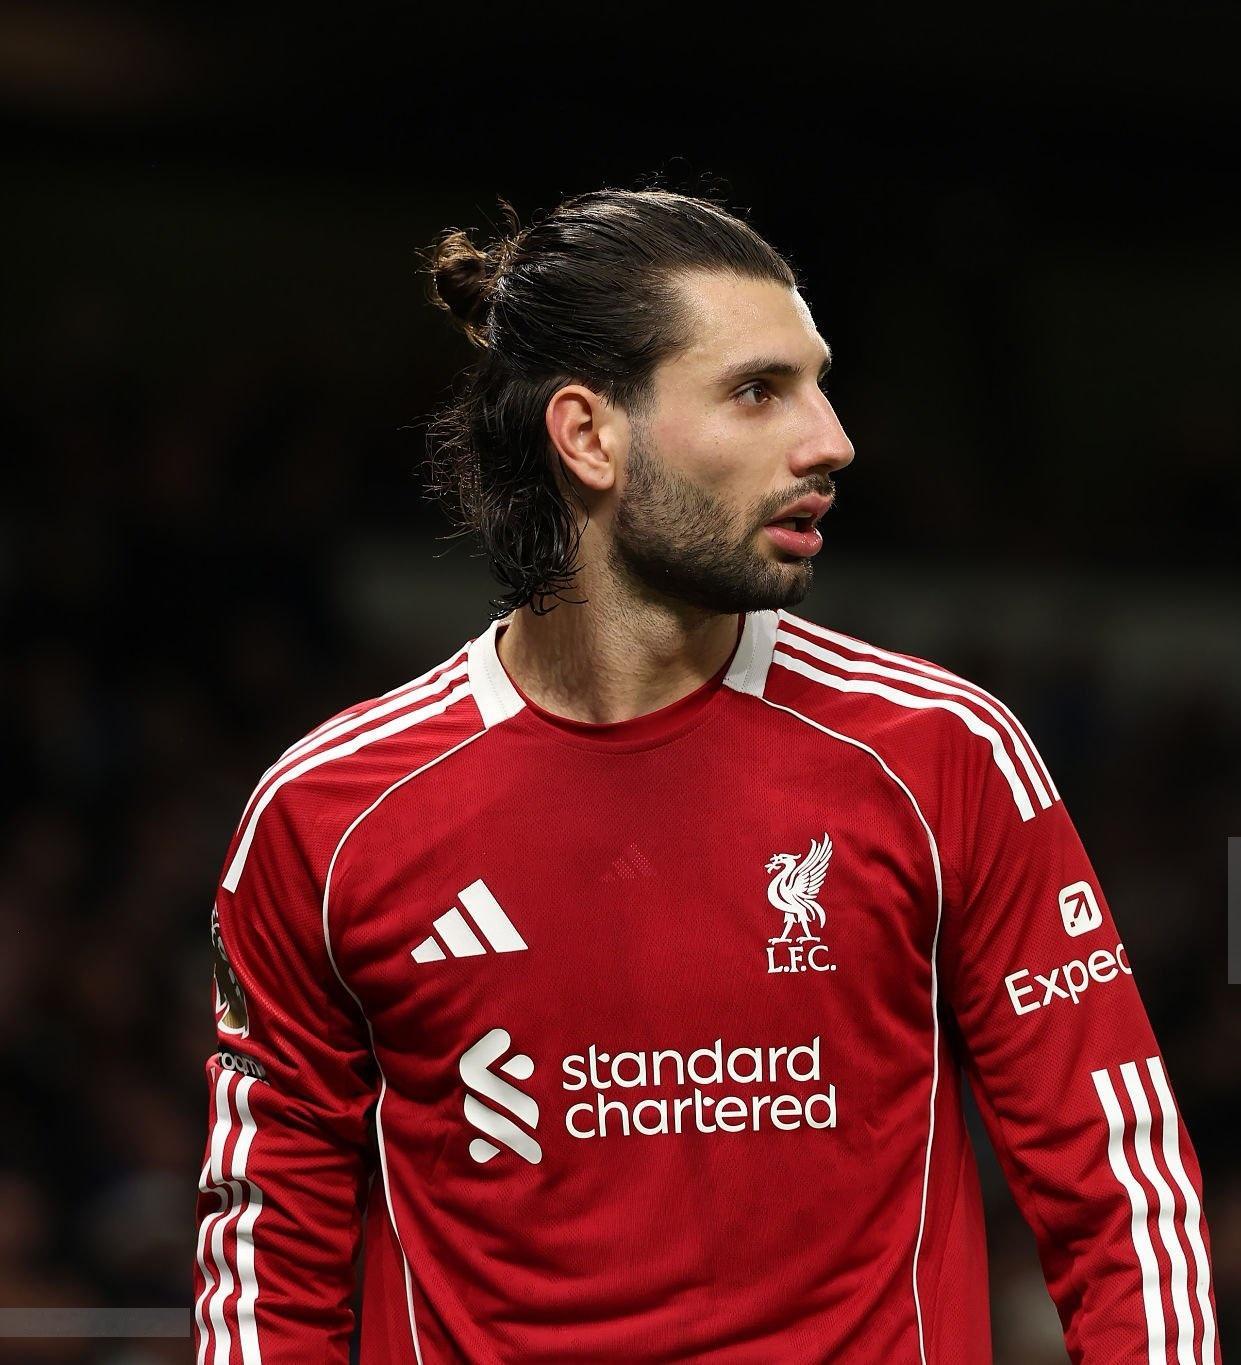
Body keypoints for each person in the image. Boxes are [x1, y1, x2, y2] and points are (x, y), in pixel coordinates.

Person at [193, 187, 1221, 1363]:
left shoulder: (938, 756)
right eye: (756, 391)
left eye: (816, 383)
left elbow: (1120, 1194)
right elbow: (266, 1253)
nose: (829, 440)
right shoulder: (329, 816)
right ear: (588, 436)